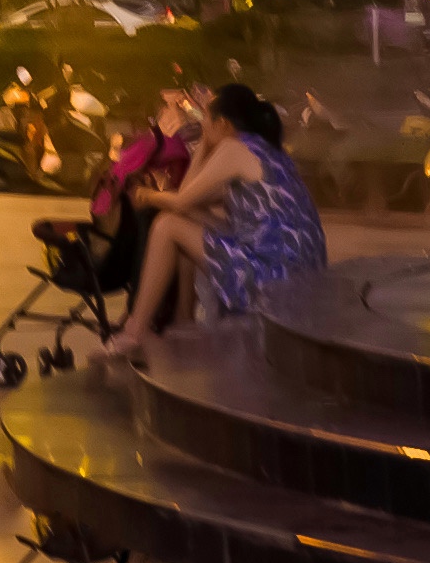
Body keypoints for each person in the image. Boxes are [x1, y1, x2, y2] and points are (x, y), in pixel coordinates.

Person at [96, 88, 321, 371]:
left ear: (223, 124)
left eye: (205, 118)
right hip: (301, 280)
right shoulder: (268, 153)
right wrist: (206, 139)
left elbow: (182, 198)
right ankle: (183, 321)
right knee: (184, 219)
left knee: (167, 226)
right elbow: (190, 201)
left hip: (272, 280)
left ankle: (134, 332)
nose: (201, 123)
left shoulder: (234, 149)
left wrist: (145, 195)